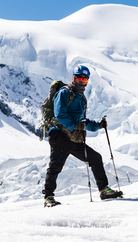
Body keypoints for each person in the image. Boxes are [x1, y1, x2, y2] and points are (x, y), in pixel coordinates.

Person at [43, 65, 122, 206]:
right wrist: (75, 126)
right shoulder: (64, 93)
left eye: (85, 78)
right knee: (55, 166)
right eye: (79, 77)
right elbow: (59, 114)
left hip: (74, 137)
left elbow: (82, 122)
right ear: (73, 77)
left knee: (95, 158)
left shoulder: (81, 98)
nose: (82, 80)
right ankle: (48, 197)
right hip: (60, 135)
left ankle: (103, 190)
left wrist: (98, 125)